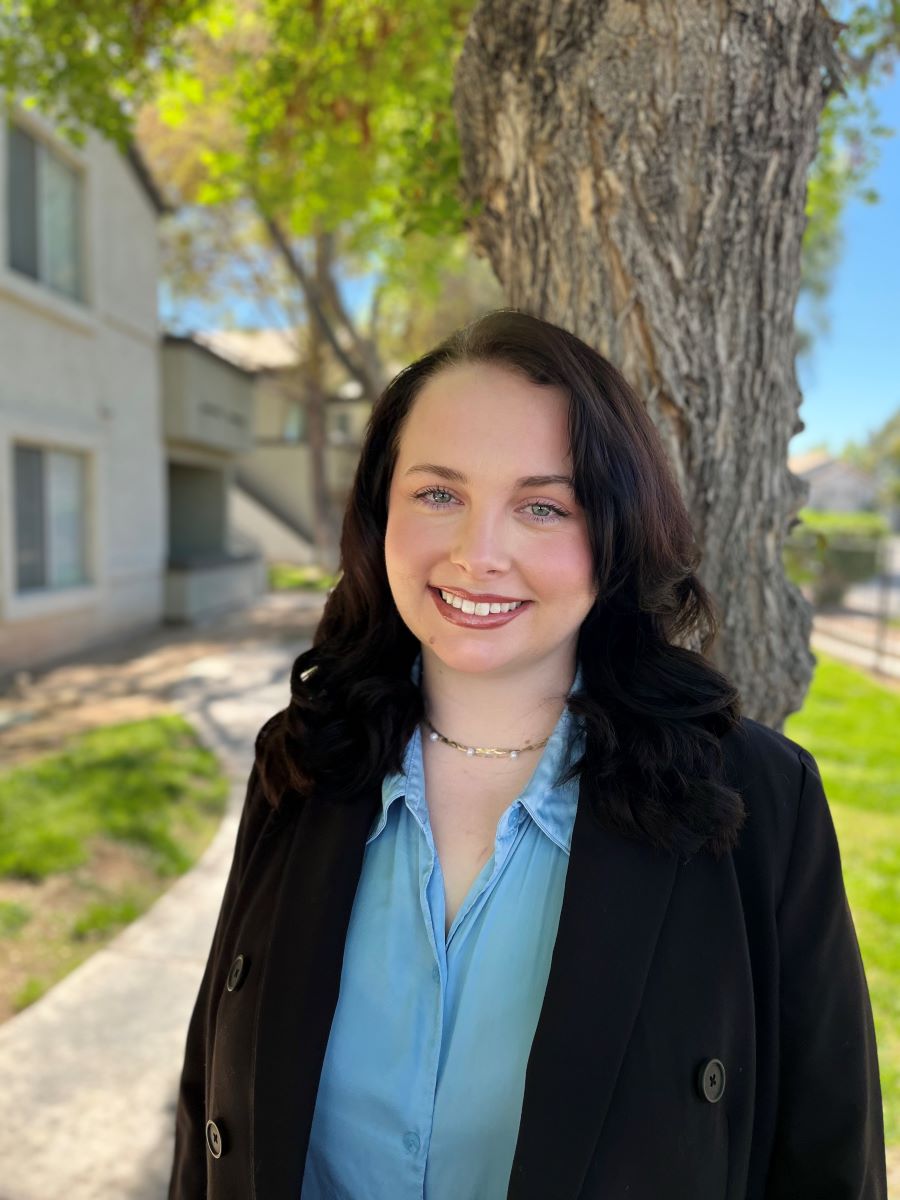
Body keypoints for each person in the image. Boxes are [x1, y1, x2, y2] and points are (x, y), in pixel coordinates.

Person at [167, 309, 887, 1199]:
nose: (480, 554)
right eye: (439, 495)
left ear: (615, 534)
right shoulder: (305, 760)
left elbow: (827, 1157)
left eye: (544, 506)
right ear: (379, 513)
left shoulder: (756, 802)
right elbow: (210, 1102)